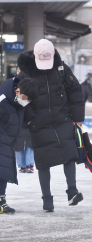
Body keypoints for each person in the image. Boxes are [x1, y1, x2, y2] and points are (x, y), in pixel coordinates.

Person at [17, 39, 85, 212]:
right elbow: (20, 98)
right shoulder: (26, 73)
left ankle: (72, 192)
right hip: (38, 123)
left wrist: (77, 117)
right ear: (34, 56)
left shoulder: (62, 69)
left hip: (62, 119)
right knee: (43, 161)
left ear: (53, 54)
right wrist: (29, 118)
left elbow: (76, 91)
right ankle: (47, 198)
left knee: (69, 154)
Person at [0, 77, 40, 214]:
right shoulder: (2, 100)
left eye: (30, 100)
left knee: (3, 172)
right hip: (2, 139)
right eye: (26, 98)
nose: (27, 102)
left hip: (9, 140)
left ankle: (1, 201)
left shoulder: (19, 102)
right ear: (17, 91)